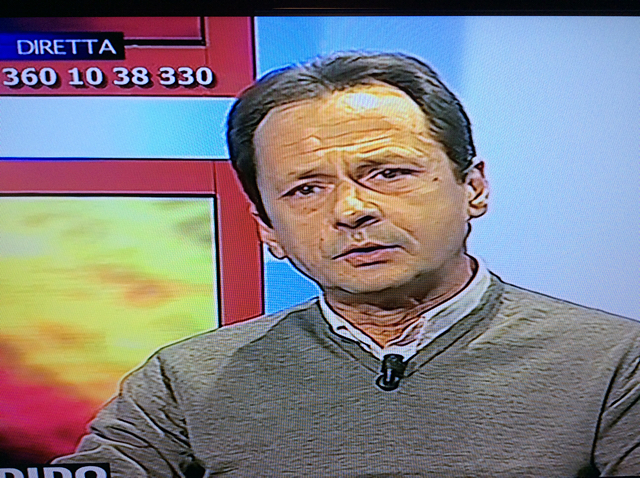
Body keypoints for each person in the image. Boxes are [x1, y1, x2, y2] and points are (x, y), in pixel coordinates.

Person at [54, 52, 640, 477]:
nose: (351, 210)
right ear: (267, 229)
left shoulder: (615, 363)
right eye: (306, 189)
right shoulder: (186, 381)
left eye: (389, 173)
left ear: (474, 188)